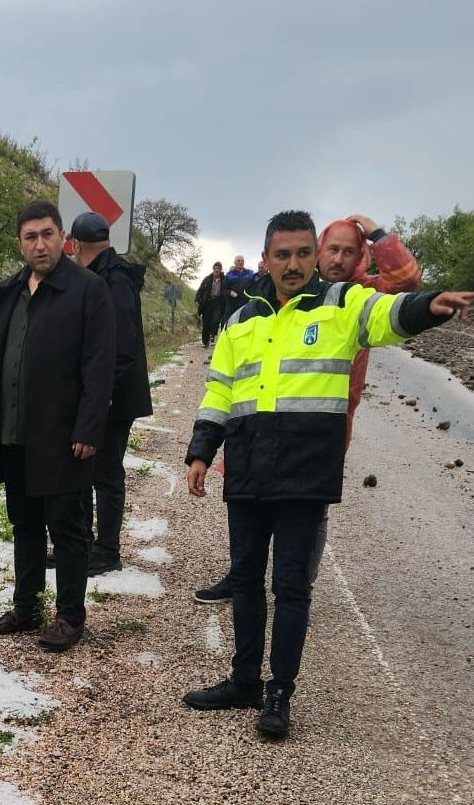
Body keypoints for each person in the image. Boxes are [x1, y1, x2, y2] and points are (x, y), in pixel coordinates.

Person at [182, 209, 471, 738]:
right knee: (245, 581)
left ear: (315, 256)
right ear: (265, 257)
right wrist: (202, 450)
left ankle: (278, 694)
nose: (293, 264)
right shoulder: (241, 318)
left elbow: (391, 314)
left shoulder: (342, 303)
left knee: (290, 588)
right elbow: (220, 388)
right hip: (246, 467)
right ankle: (243, 680)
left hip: (304, 471)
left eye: (302, 253)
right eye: (282, 254)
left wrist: (428, 307)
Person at [194, 212, 421, 604]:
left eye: (349, 251)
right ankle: (242, 574)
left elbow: (407, 284)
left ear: (361, 258)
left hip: (326, 416)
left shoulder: (362, 292)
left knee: (308, 502)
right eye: (331, 249)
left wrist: (378, 234)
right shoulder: (291, 289)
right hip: (265, 413)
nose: (338, 259)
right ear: (318, 252)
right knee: (249, 491)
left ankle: (298, 583)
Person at [0, 200, 115, 652]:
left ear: (62, 237)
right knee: (24, 525)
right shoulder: (6, 292)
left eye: (47, 234)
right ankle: (26, 609)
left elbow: (99, 365)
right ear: (20, 243)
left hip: (64, 438)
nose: (40, 244)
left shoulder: (87, 289)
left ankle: (70, 617)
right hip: (13, 435)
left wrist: (89, 427)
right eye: (30, 237)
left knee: (68, 529)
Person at [69, 211, 153, 576]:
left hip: (114, 399)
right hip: (101, 395)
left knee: (105, 473)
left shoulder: (114, 279)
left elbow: (121, 348)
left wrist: (103, 398)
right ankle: (85, 544)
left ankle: (106, 551)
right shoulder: (101, 274)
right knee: (85, 471)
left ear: (74, 244)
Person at [195, 261, 227, 347]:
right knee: (206, 322)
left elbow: (227, 289)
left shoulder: (224, 279)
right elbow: (200, 290)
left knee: (216, 320)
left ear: (221, 270)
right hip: (208, 302)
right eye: (215, 268)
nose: (217, 270)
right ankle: (205, 341)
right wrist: (197, 299)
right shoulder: (207, 279)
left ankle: (213, 336)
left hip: (218, 302)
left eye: (218, 269)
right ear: (213, 269)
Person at [223, 254, 255, 321]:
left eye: (242, 261)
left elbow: (254, 287)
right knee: (229, 323)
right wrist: (230, 292)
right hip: (232, 305)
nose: (240, 262)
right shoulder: (229, 274)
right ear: (234, 263)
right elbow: (223, 289)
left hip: (246, 304)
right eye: (238, 261)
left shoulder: (250, 273)